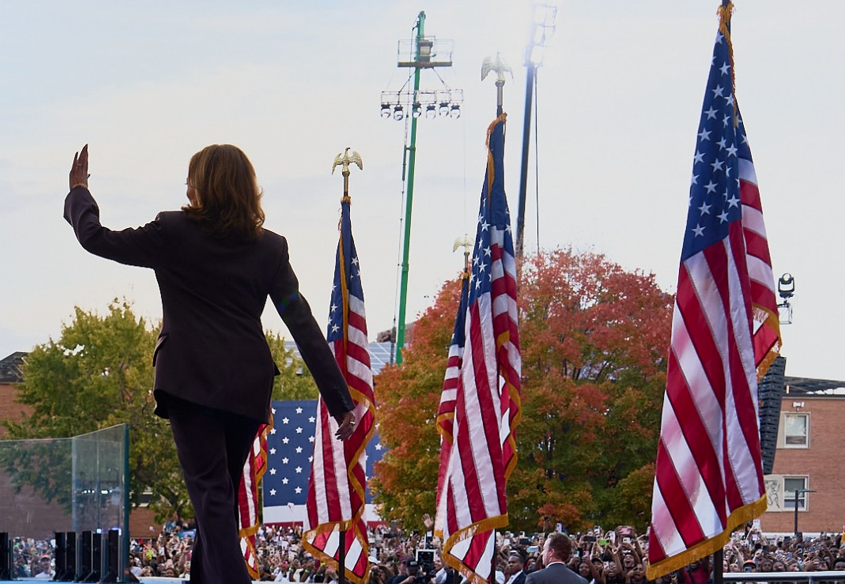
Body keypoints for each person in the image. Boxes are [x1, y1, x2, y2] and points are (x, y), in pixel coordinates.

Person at [64, 144, 356, 584]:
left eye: (190, 178)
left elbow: (96, 238)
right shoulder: (270, 248)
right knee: (213, 503)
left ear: (203, 186)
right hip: (245, 390)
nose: (186, 187)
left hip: (190, 385)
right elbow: (300, 319)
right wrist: (340, 401)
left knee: (213, 497)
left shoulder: (172, 230)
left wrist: (79, 192)